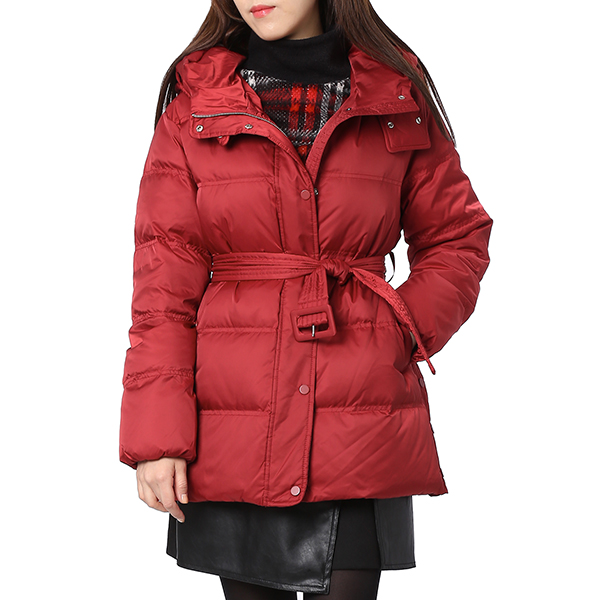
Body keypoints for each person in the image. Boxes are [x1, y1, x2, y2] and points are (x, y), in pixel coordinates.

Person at [119, 1, 493, 598]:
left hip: (357, 419)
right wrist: (157, 438)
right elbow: (163, 287)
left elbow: (457, 236)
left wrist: (396, 331)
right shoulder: (198, 100)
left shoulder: (393, 91)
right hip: (232, 424)